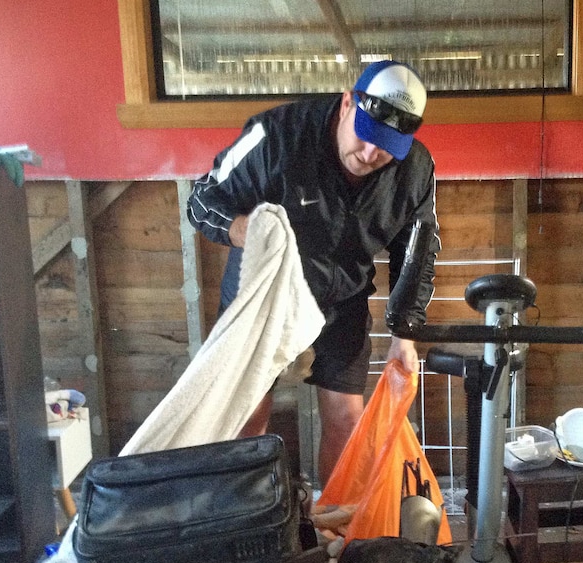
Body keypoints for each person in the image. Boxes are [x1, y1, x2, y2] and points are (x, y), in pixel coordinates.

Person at [186, 60, 440, 486]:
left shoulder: (413, 169)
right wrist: (240, 228)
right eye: (366, 136)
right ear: (347, 103)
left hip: (342, 297)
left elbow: (416, 254)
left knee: (345, 419)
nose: (370, 154)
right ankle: (253, 525)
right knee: (249, 420)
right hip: (262, 294)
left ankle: (333, 531)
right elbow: (201, 199)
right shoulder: (277, 136)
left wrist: (404, 336)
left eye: (386, 147)